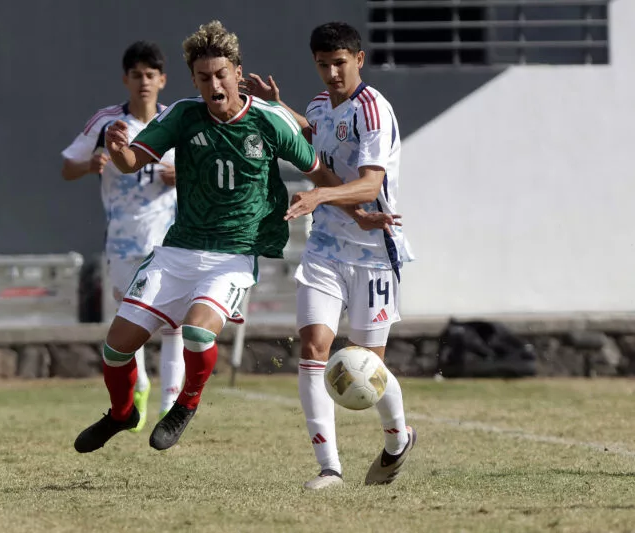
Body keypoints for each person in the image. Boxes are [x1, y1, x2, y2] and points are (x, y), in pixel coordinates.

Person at [73, 20, 393, 454]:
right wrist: (115, 149)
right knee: (115, 349)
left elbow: (321, 174)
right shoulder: (183, 115)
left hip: (234, 255)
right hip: (178, 250)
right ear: (194, 80)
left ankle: (186, 404)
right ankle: (121, 413)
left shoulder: (270, 121)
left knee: (198, 334)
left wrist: (359, 213)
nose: (214, 84)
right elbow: (131, 162)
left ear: (238, 73)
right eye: (204, 78)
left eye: (221, 74)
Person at [245, 21, 416, 489]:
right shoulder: (322, 104)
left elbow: (370, 183)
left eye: (339, 63)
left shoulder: (374, 110)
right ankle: (329, 469)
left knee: (366, 367)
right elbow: (313, 129)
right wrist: (275, 104)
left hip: (373, 252)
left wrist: (319, 197)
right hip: (324, 246)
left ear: (359, 59)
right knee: (315, 349)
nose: (332, 73)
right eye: (323, 65)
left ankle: (399, 437)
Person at [61, 41, 185, 432]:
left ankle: (169, 407)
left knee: (173, 324)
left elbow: (202, 171)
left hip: (169, 238)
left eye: (151, 75)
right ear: (125, 79)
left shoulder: (177, 120)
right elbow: (67, 166)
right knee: (127, 322)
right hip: (123, 239)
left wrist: (181, 175)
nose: (144, 82)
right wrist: (89, 164)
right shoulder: (107, 122)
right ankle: (142, 389)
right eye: (137, 75)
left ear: (162, 80)